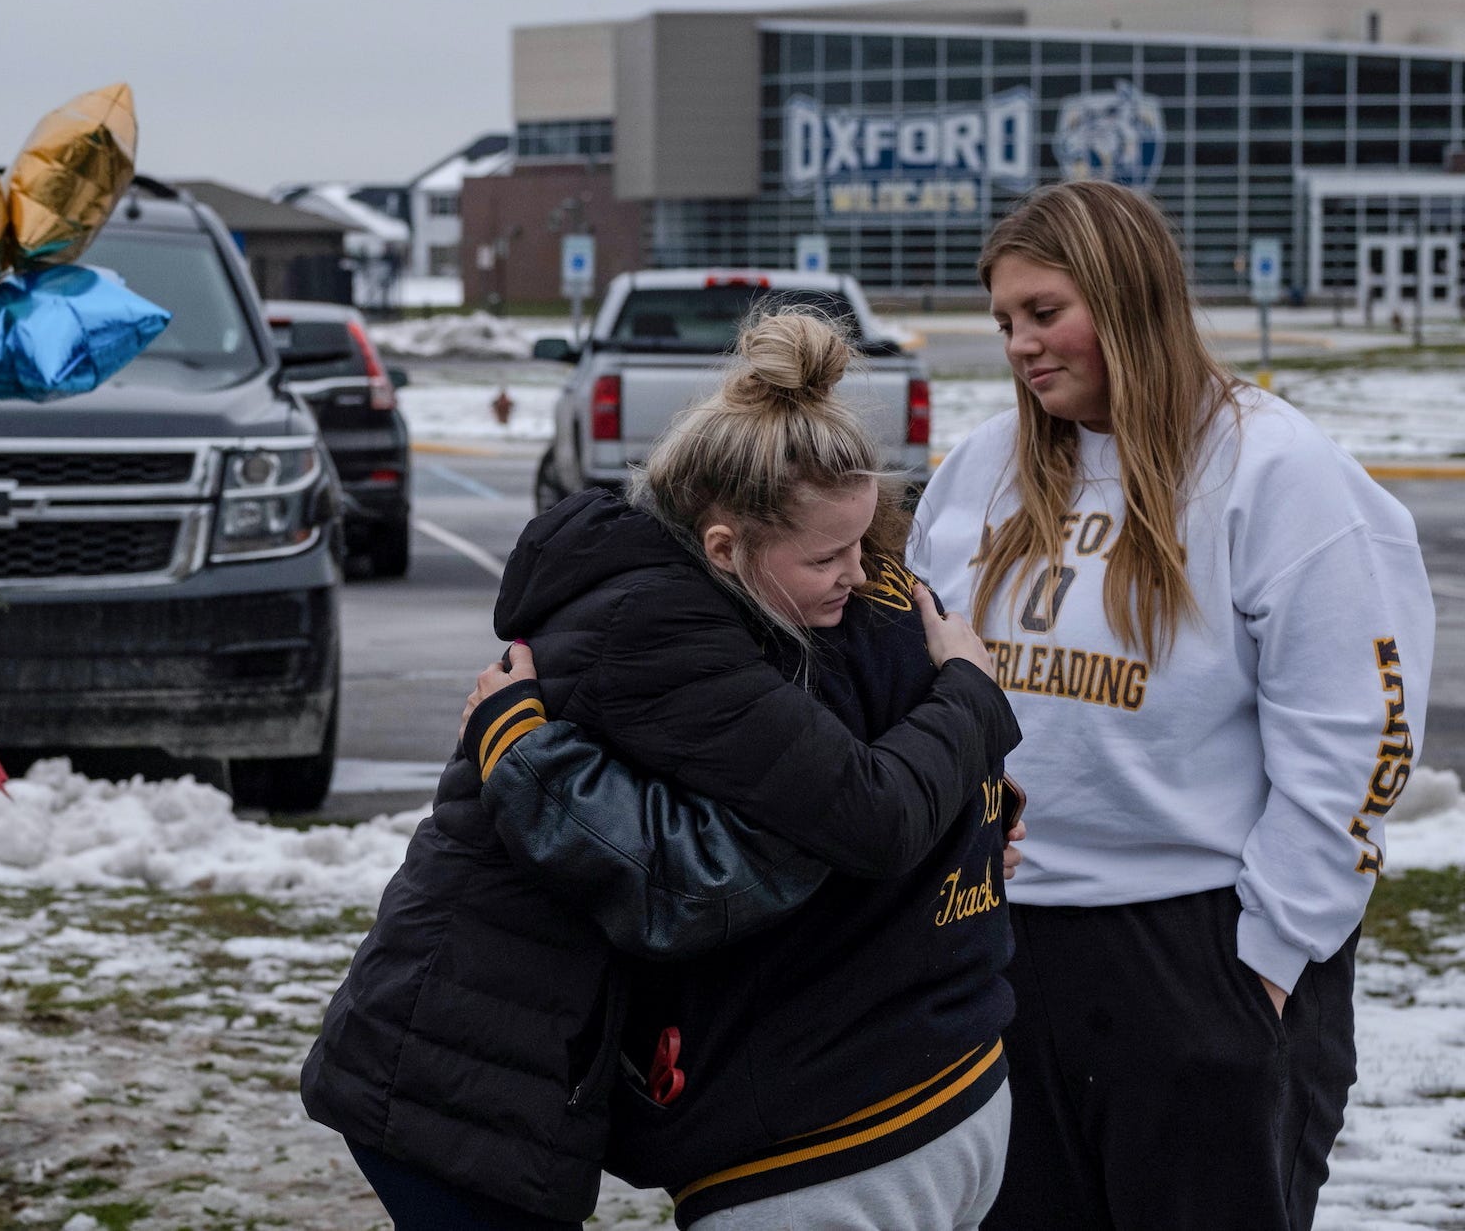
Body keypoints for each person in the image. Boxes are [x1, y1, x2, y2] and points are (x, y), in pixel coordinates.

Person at [302, 310, 1020, 1229]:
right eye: (827, 557)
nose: (858, 574)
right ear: (725, 547)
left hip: (512, 1051)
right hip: (461, 1065)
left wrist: (973, 808)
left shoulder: (721, 605)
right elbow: (850, 820)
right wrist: (968, 698)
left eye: (862, 547)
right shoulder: (664, 632)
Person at [909, 179, 1436, 1230]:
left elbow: (1354, 742)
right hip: (1005, 948)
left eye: (1044, 312)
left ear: (1128, 296)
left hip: (1200, 948)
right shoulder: (980, 472)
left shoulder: (1274, 473)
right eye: (1003, 320)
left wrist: (1265, 967)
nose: (1018, 344)